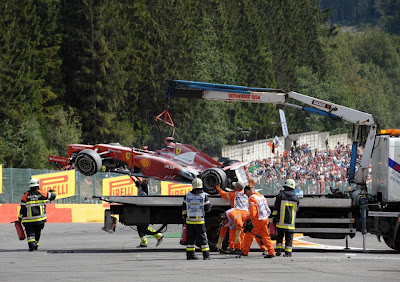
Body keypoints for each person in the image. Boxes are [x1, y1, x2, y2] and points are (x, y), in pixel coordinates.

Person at [18, 178, 56, 251]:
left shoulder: (25, 196)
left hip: (28, 220)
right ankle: (36, 243)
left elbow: (22, 209)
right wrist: (52, 191)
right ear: (38, 185)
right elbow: (53, 196)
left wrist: (19, 218)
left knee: (29, 232)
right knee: (37, 231)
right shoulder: (42, 193)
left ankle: (32, 244)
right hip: (39, 219)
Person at [241, 186, 275, 258]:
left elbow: (253, 211)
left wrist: (250, 219)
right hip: (265, 218)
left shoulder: (252, 198)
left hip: (257, 219)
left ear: (248, 191)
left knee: (249, 234)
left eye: (246, 193)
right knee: (265, 236)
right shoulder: (261, 196)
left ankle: (245, 251)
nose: (247, 195)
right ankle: (271, 251)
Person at [182, 178, 211, 260]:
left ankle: (190, 255)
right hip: (199, 221)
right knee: (202, 238)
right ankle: (206, 255)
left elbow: (184, 208)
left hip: (189, 221)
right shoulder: (204, 196)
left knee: (191, 238)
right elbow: (207, 208)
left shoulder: (187, 195)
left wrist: (184, 219)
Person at [215, 182, 248, 253]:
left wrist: (219, 189)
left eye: (235, 186)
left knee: (235, 230)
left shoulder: (233, 194)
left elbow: (224, 195)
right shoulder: (245, 193)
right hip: (245, 213)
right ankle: (236, 247)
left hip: (238, 213)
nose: (234, 187)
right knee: (238, 230)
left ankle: (236, 247)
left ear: (237, 188)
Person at [272, 178, 300, 257]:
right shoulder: (296, 197)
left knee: (279, 237)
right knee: (289, 237)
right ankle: (288, 253)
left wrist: (274, 217)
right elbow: (296, 209)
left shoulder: (281, 195)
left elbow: (276, 208)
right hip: (290, 223)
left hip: (280, 222)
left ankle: (278, 251)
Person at [135, 178, 164, 247]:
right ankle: (146, 241)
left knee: (142, 227)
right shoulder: (140, 186)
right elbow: (135, 180)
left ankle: (157, 237)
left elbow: (140, 180)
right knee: (141, 226)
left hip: (144, 209)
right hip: (141, 208)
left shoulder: (144, 186)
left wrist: (134, 174)